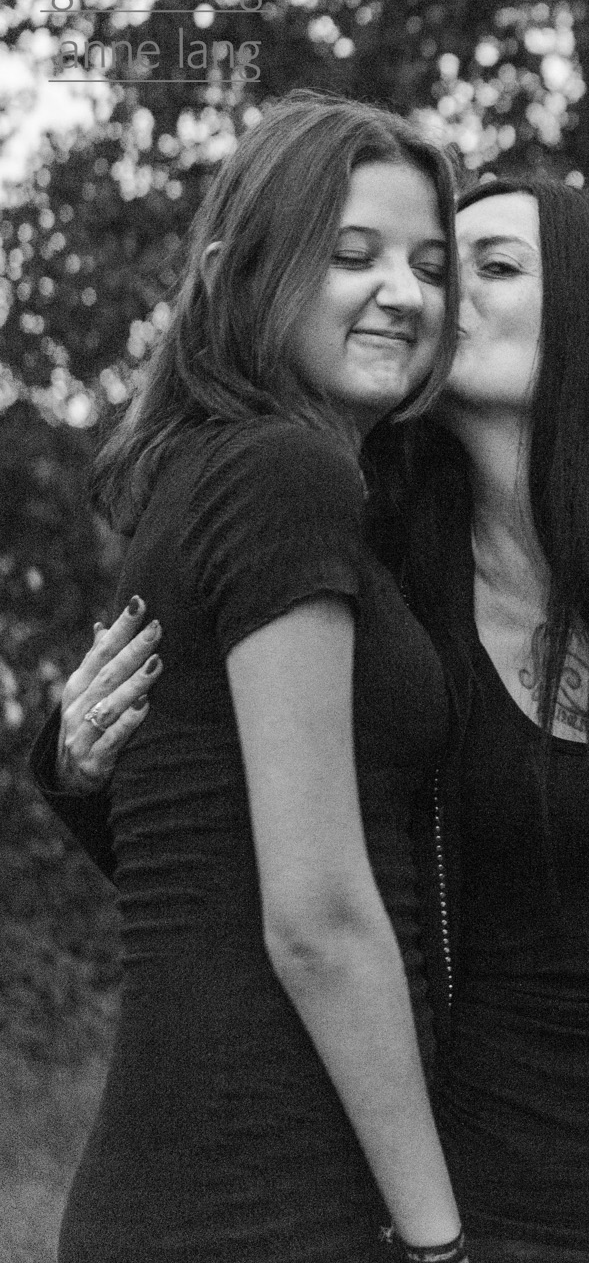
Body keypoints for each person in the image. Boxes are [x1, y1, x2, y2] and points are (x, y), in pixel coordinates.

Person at [44, 177, 589, 1262]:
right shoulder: (382, 552)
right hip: (505, 1195)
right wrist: (81, 767)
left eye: (486, 267)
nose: (433, 296)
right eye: (432, 268)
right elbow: (261, 855)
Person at [46, 93, 470, 1261]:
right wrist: (437, 1236)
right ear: (237, 276)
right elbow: (317, 918)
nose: (404, 292)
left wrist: (70, 771)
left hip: (189, 1177)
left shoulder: (219, 470)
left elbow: (205, 846)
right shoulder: (285, 474)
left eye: (429, 265)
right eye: (352, 254)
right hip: (259, 1194)